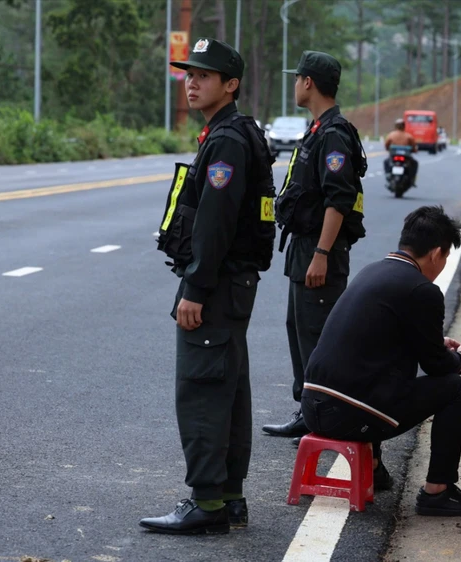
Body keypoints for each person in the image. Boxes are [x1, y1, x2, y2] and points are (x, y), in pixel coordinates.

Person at [142, 37, 276, 535]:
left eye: (203, 75)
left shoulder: (225, 140)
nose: (192, 82)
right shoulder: (239, 131)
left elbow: (215, 224)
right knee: (229, 390)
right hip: (234, 283)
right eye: (189, 74)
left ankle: (206, 504)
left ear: (231, 84)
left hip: (215, 285)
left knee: (201, 391)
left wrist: (195, 288)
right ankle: (229, 496)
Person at [301, 205, 461, 514]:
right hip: (349, 416)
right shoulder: (422, 289)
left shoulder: (373, 270)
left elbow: (380, 338)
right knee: (453, 388)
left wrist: (434, 343)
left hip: (312, 406)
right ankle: (437, 491)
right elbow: (437, 366)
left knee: (375, 372)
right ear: (437, 253)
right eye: (445, 258)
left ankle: (371, 466)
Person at [264, 51, 367, 443]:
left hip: (320, 250)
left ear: (308, 82)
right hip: (304, 246)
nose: (294, 85)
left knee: (318, 337)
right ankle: (308, 413)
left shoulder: (334, 134)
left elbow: (338, 199)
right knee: (300, 330)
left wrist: (322, 254)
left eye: (297, 78)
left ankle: (329, 418)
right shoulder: (319, 129)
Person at [384, 118, 419, 186]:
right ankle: (412, 179)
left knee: (386, 161)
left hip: (395, 156)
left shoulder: (391, 135)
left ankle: (388, 174)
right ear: (404, 126)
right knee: (415, 163)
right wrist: (414, 150)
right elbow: (414, 147)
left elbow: (386, 145)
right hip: (405, 157)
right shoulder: (408, 136)